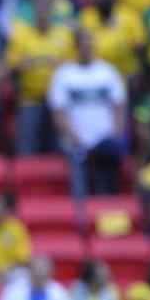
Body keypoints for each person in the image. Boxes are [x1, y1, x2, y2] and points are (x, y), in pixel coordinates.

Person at [48, 28, 127, 196]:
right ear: (76, 47)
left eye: (90, 44)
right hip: (75, 140)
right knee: (75, 155)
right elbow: (59, 113)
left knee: (110, 154)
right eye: (83, 44)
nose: (87, 48)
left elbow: (119, 106)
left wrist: (114, 134)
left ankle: (108, 204)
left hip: (105, 139)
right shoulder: (64, 74)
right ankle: (79, 204)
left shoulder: (108, 72)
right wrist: (76, 139)